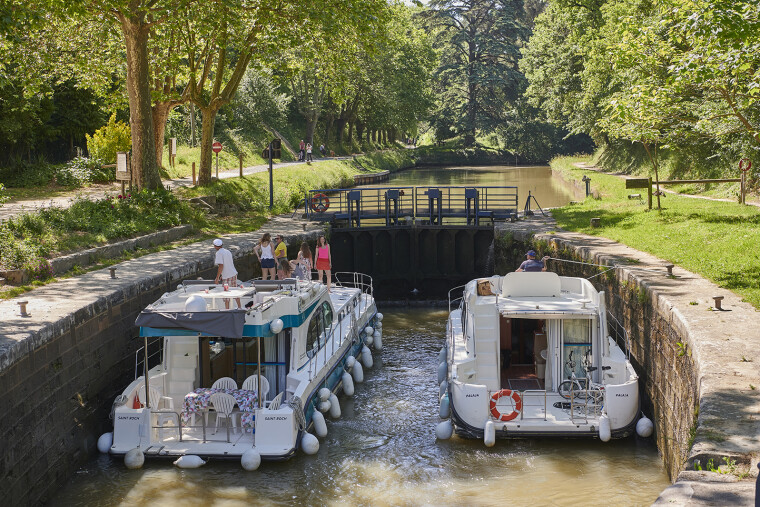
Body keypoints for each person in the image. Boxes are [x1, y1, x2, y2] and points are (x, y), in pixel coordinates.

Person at [213, 239, 241, 309]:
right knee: (235, 292)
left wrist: (217, 277)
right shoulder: (227, 251)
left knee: (226, 295)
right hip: (233, 273)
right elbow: (228, 264)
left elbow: (221, 266)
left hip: (227, 276)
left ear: (215, 246)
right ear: (221, 245)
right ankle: (240, 307)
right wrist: (222, 275)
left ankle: (227, 310)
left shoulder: (219, 253)